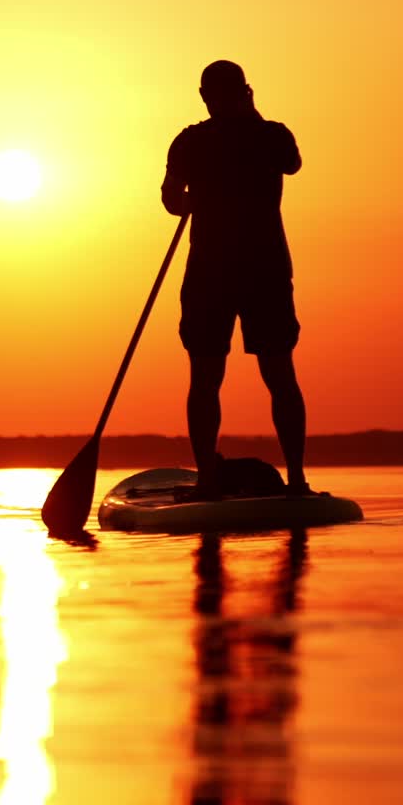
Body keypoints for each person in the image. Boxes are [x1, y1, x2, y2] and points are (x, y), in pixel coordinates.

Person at [161, 60, 311, 499]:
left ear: (206, 96)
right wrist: (252, 111)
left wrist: (186, 200)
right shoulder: (266, 134)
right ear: (243, 91)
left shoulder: (201, 142)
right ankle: (291, 480)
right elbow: (292, 162)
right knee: (270, 373)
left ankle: (217, 478)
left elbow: (171, 200)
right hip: (245, 270)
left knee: (214, 376)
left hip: (230, 271)